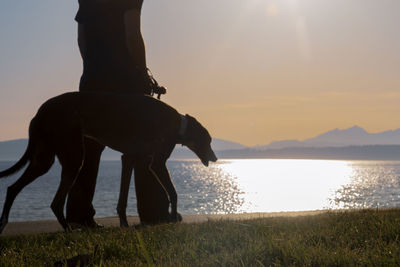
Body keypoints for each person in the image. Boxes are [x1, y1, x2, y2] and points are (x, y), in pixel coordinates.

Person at [66, 0, 167, 227]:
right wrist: (143, 74)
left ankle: (78, 218)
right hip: (126, 83)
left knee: (88, 151)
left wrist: (93, 70)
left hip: (92, 80)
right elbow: (132, 34)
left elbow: (82, 41)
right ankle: (154, 215)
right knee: (144, 146)